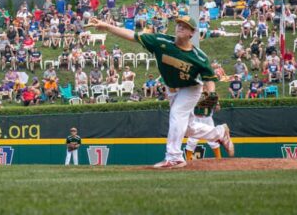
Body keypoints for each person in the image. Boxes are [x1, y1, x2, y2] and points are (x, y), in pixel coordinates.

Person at [89, 14, 234, 169]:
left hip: (191, 88)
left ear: (192, 33)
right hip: (172, 89)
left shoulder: (199, 56)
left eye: (184, 26)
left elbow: (209, 78)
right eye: (179, 24)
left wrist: (211, 94)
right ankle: (220, 133)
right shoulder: (161, 41)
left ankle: (174, 157)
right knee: (187, 128)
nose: (180, 27)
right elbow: (133, 35)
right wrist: (107, 27)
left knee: (177, 113)